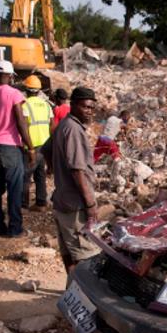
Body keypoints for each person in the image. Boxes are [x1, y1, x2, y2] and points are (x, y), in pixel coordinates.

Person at [42, 87, 101, 275]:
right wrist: (90, 203)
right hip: (76, 204)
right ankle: (81, 289)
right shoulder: (74, 129)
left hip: (62, 199)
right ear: (73, 105)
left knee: (68, 250)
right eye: (85, 107)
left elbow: (46, 149)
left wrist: (55, 169)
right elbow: (77, 171)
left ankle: (72, 286)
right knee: (86, 254)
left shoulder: (64, 125)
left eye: (92, 108)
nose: (89, 111)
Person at [0, 60, 33, 237]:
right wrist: (30, 147)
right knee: (14, 189)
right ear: (10, 76)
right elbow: (20, 122)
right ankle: (15, 229)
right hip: (11, 147)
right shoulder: (14, 94)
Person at [21, 75, 54, 211]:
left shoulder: (25, 105)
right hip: (44, 145)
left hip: (31, 145)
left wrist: (27, 146)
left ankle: (23, 204)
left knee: (25, 175)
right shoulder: (46, 105)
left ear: (26, 90)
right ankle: (41, 203)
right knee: (40, 174)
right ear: (39, 90)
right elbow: (52, 126)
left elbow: (22, 126)